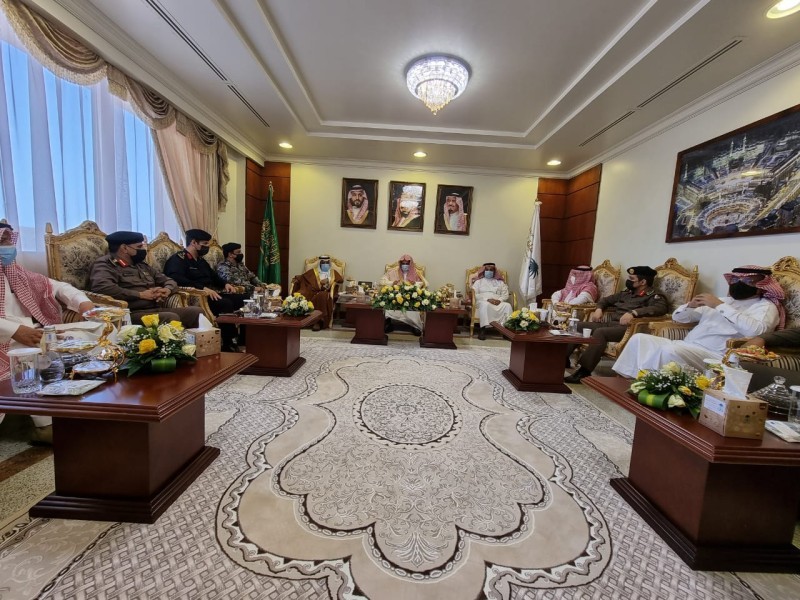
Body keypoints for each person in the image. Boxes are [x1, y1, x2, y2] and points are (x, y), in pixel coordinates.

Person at [0, 223, 96, 444]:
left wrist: (83, 303)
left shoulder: (17, 272)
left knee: (89, 338)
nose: (6, 247)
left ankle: (84, 409)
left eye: (7, 241)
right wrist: (14, 331)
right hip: (7, 338)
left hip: (35, 332)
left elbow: (58, 287)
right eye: (1, 241)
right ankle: (45, 425)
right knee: (32, 355)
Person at [613, 265, 783, 379]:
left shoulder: (765, 307)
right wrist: (690, 306)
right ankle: (627, 381)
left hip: (717, 356)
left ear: (761, 286)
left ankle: (652, 388)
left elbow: (756, 331)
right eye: (735, 280)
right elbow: (678, 318)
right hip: (688, 345)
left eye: (746, 281)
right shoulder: (723, 300)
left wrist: (720, 306)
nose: (738, 284)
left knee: (669, 350)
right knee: (639, 339)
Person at [564, 266, 668, 383]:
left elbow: (660, 308)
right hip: (611, 324)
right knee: (577, 325)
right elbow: (605, 300)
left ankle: (584, 371)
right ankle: (562, 359)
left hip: (629, 329)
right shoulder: (627, 293)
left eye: (632, 279)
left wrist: (634, 313)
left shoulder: (654, 295)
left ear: (643, 282)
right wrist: (599, 309)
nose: (628, 281)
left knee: (600, 332)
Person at [89, 231, 202, 328]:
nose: (144, 250)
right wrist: (140, 295)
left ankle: (198, 346)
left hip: (155, 308)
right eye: (139, 247)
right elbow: (103, 287)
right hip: (130, 313)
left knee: (196, 312)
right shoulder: (106, 264)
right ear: (124, 248)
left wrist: (166, 290)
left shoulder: (141, 265)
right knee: (170, 318)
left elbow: (169, 281)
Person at [163, 229, 247, 352]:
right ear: (193, 242)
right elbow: (176, 278)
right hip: (197, 296)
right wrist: (202, 288)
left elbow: (213, 276)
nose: (207, 247)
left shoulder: (201, 260)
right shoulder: (178, 259)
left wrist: (225, 284)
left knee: (245, 299)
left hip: (212, 293)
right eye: (205, 244)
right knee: (225, 304)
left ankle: (244, 338)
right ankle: (228, 342)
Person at [379, 254, 428, 335]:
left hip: (410, 298)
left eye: (407, 264)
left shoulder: (416, 273)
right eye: (403, 263)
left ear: (410, 264)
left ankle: (415, 326)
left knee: (413, 308)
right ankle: (388, 323)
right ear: (400, 263)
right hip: (395, 297)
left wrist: (415, 284)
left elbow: (425, 283)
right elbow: (382, 281)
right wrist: (392, 283)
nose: (405, 265)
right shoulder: (393, 271)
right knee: (388, 305)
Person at [291, 255, 343, 330]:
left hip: (325, 292)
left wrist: (328, 280)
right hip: (312, 290)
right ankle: (302, 320)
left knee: (322, 296)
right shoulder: (313, 271)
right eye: (323, 263)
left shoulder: (333, 272)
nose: (325, 265)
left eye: (327, 263)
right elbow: (303, 277)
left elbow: (340, 280)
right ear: (320, 263)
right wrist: (297, 279)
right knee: (302, 293)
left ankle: (319, 321)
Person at [471, 263, 512, 340]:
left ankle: (506, 331)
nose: (489, 271)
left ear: (494, 272)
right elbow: (475, 295)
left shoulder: (500, 282)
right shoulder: (478, 282)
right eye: (487, 270)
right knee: (485, 305)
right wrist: (487, 299)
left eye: (491, 270)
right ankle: (482, 329)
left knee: (507, 306)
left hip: (498, 302)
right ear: (483, 271)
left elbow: (505, 295)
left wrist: (499, 300)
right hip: (483, 301)